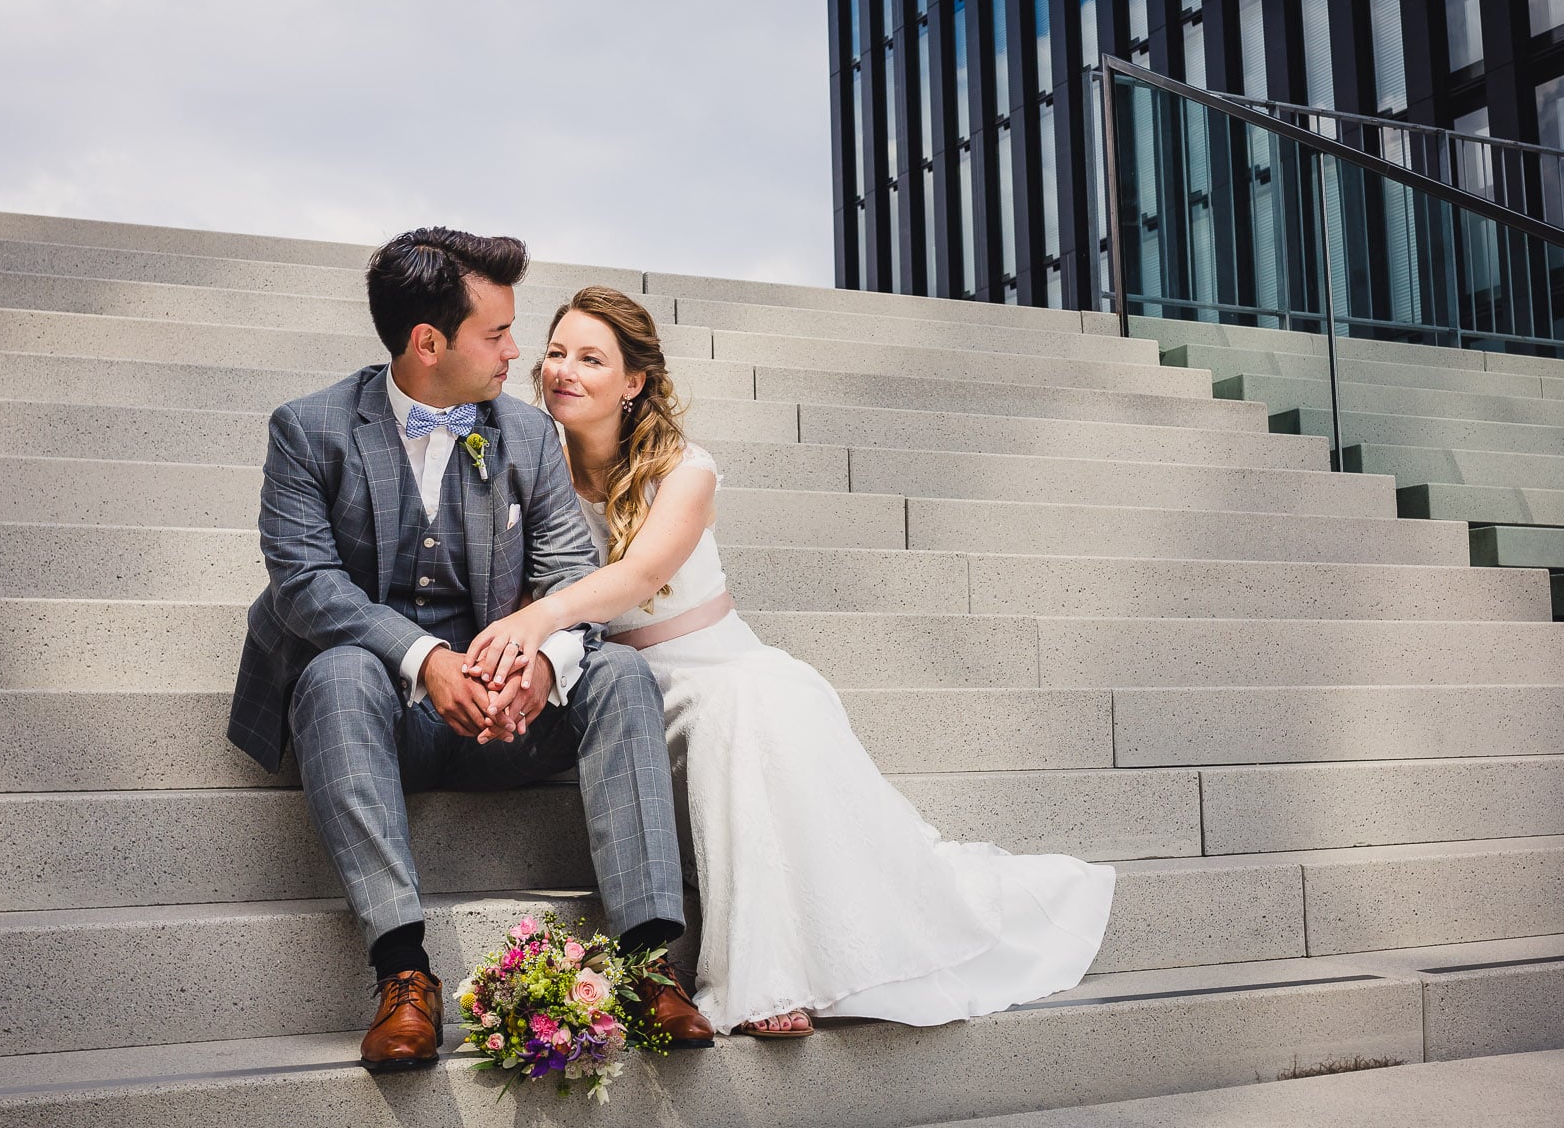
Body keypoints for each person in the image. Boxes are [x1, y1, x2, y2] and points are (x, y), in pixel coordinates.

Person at [462, 286, 1118, 1039]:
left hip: (711, 660)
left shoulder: (685, 470)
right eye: (554, 353)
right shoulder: (530, 469)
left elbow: (640, 578)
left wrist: (538, 615)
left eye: (590, 358)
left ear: (634, 382)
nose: (562, 372)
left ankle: (766, 978)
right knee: (736, 705)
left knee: (761, 699)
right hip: (617, 678)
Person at [227, 232, 716, 1073]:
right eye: (497, 334)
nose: (517, 352)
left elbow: (570, 571)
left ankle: (644, 964)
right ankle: (403, 974)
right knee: (337, 670)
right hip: (387, 718)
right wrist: (424, 660)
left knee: (621, 672)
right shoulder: (310, 430)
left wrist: (540, 667)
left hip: (510, 716)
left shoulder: (525, 435)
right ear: (428, 342)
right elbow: (305, 583)